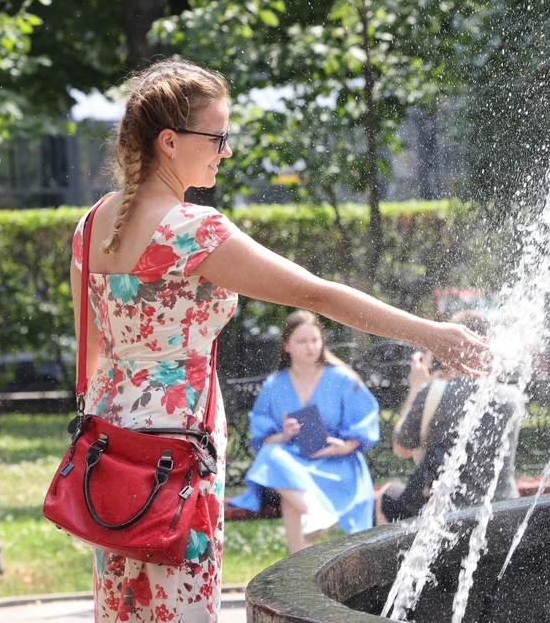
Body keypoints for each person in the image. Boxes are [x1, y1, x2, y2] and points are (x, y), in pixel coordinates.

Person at [69, 59, 488, 623]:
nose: (226, 150)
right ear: (169, 141)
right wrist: (432, 332)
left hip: (112, 443)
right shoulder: (193, 229)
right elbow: (320, 296)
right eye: (217, 136)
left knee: (123, 607)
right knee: (182, 604)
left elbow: (91, 354)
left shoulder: (92, 224)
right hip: (177, 449)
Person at [227, 311, 379, 552]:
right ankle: (316, 515)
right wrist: (284, 435)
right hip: (294, 465)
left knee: (291, 501)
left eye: (315, 340)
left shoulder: (341, 378)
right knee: (271, 456)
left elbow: (365, 421)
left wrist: (345, 446)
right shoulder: (274, 385)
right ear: (286, 345)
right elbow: (264, 439)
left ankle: (296, 571)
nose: (310, 347)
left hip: (337, 463)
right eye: (301, 341)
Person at [376, 310, 522, 525]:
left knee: (387, 496)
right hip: (501, 508)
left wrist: (417, 389)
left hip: (447, 513)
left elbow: (401, 449)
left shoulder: (433, 393)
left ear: (451, 345)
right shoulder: (512, 397)